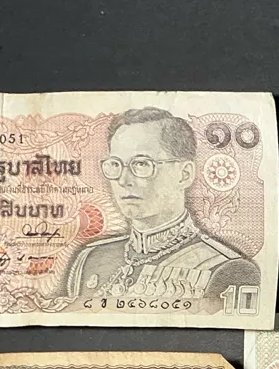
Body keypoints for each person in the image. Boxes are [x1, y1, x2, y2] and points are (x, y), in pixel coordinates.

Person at [63, 107, 259, 305]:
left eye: (141, 164)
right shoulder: (89, 260)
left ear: (184, 174)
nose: (123, 180)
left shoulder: (224, 268)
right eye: (115, 164)